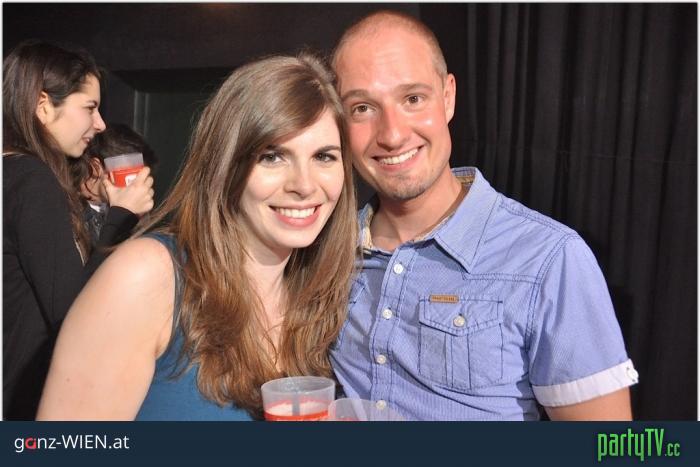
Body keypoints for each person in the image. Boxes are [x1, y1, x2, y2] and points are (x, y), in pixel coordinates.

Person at [329, 11, 638, 421]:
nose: (392, 134)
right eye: (363, 108)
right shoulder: (327, 253)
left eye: (413, 99)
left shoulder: (550, 259)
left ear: (448, 97)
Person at [36, 53, 357, 420]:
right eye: (272, 156)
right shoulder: (148, 276)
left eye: (324, 157)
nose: (304, 185)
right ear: (226, 164)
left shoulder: (322, 298)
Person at [3, 40, 154, 420]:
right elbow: (72, 312)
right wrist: (121, 215)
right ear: (43, 105)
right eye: (89, 108)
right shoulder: (32, 180)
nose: (100, 124)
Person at [74, 123, 158, 246]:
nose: (137, 188)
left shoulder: (128, 213)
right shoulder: (68, 214)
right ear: (95, 168)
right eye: (131, 179)